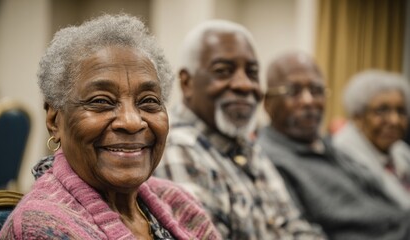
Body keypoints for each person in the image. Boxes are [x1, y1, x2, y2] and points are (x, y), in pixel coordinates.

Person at [0, 13, 221, 239]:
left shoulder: (177, 203)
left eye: (149, 101)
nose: (132, 122)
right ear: (54, 121)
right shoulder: (41, 228)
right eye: (101, 101)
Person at [154, 20, 324, 239]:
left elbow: (295, 226)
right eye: (223, 71)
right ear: (187, 83)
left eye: (252, 73)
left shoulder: (245, 145)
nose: (244, 85)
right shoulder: (178, 148)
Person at [256, 51, 410, 240]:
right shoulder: (267, 160)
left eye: (317, 90)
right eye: (294, 91)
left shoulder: (331, 147)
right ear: (268, 103)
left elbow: (386, 201)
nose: (308, 101)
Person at [333, 70, 410, 208]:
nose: (394, 120)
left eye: (401, 111)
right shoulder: (342, 155)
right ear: (357, 116)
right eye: (382, 110)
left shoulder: (400, 150)